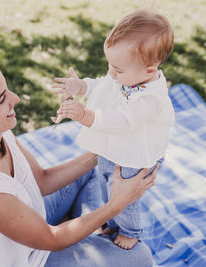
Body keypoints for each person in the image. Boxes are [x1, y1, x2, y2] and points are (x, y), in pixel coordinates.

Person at [0, 52, 158, 267]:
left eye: (6, 89)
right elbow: (53, 239)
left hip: (33, 226)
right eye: (1, 99)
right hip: (33, 256)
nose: (15, 98)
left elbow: (41, 180)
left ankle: (90, 231)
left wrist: (106, 149)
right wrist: (119, 202)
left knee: (95, 169)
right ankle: (93, 233)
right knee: (140, 257)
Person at [53, 10, 175, 250]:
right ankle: (112, 223)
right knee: (104, 183)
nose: (111, 73)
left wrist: (86, 116)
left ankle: (130, 231)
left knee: (124, 194)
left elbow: (122, 120)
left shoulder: (150, 98)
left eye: (117, 69)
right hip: (114, 147)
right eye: (110, 65)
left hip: (135, 154)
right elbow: (103, 86)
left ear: (150, 71)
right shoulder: (127, 76)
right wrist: (81, 86)